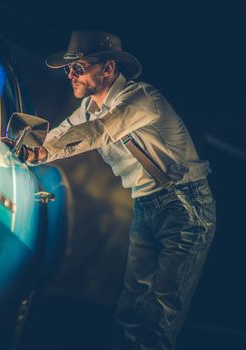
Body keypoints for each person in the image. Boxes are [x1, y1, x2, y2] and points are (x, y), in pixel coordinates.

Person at [24, 31, 216, 349]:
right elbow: (61, 133)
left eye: (79, 67)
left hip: (185, 208)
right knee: (131, 309)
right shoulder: (88, 107)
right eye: (68, 68)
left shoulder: (142, 99)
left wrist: (44, 152)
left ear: (108, 68)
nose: (70, 74)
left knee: (158, 316)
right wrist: (27, 145)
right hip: (146, 204)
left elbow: (100, 131)